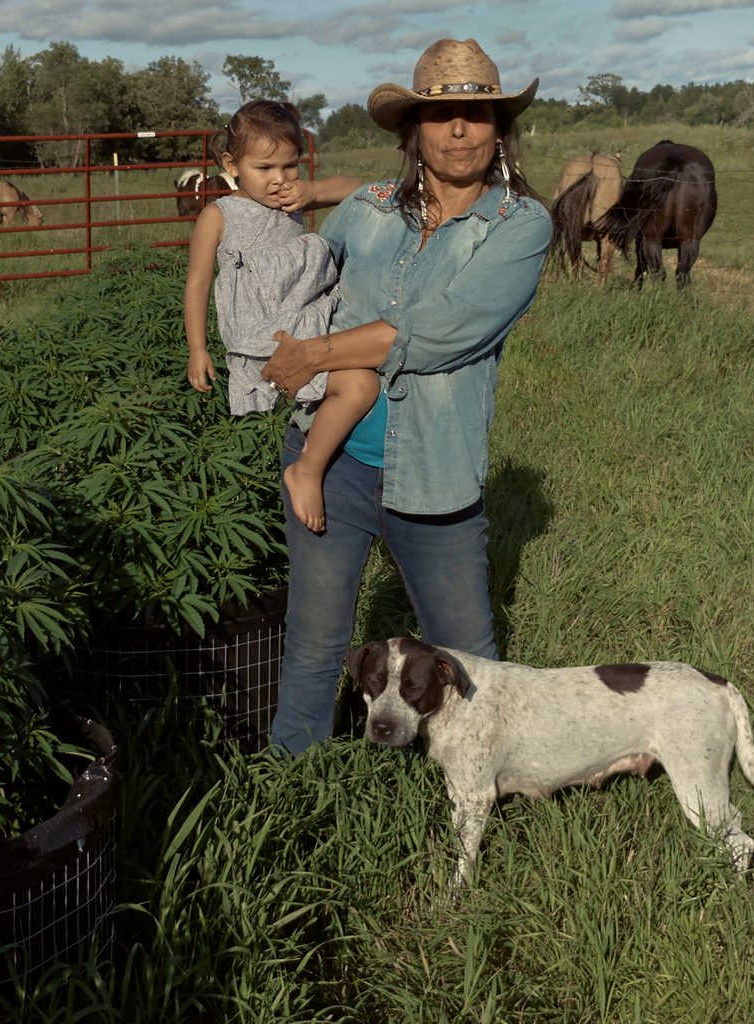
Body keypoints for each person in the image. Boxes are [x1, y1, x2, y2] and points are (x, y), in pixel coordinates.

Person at [262, 39, 552, 755]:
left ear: (499, 128)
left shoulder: (518, 226)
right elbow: (302, 280)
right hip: (329, 460)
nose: (459, 130)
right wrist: (235, 234)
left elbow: (441, 332)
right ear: (411, 130)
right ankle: (290, 786)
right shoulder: (365, 210)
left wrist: (315, 355)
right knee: (313, 645)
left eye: (477, 114)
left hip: (436, 474)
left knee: (468, 660)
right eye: (441, 114)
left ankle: (481, 799)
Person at [184, 99, 378, 532]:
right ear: (231, 164)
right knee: (360, 385)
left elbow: (361, 189)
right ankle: (306, 471)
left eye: (290, 166)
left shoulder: (294, 201)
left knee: (369, 376)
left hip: (311, 329)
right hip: (264, 345)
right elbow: (197, 285)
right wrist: (198, 349)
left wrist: (313, 191)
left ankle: (327, 469)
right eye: (265, 168)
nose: (279, 180)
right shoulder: (219, 215)